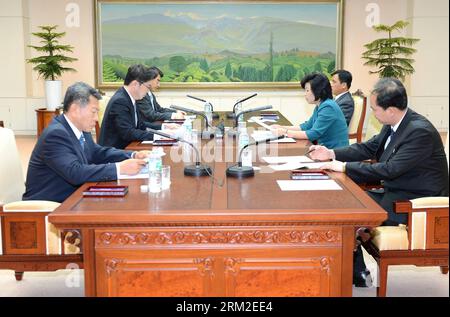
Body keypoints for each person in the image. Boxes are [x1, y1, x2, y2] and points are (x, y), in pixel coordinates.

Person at [308, 77, 449, 287]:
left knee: (346, 212)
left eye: (375, 109)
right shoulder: (396, 123)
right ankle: (354, 273)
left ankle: (351, 274)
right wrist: (331, 153)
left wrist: (344, 167)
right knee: (342, 201)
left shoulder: (419, 132)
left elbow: (390, 170)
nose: (373, 113)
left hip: (415, 205)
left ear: (390, 109)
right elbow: (368, 148)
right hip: (395, 193)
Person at [23, 82, 149, 203]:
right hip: (51, 206)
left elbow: (96, 152)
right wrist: (119, 168)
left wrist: (133, 155)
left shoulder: (80, 128)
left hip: (75, 197)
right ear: (75, 109)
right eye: (93, 112)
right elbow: (75, 172)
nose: (96, 119)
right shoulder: (56, 134)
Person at [271, 73, 349, 149]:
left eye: (307, 90)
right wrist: (281, 127)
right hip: (324, 151)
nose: (305, 94)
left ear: (318, 90)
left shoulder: (328, 107)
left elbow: (313, 134)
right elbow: (307, 126)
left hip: (335, 154)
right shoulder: (320, 105)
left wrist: (285, 132)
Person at [98, 64, 164, 149]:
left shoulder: (130, 97)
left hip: (128, 148)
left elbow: (140, 125)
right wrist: (157, 136)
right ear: (136, 84)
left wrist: (163, 129)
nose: (148, 91)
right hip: (115, 152)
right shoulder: (120, 101)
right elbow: (127, 132)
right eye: (148, 87)